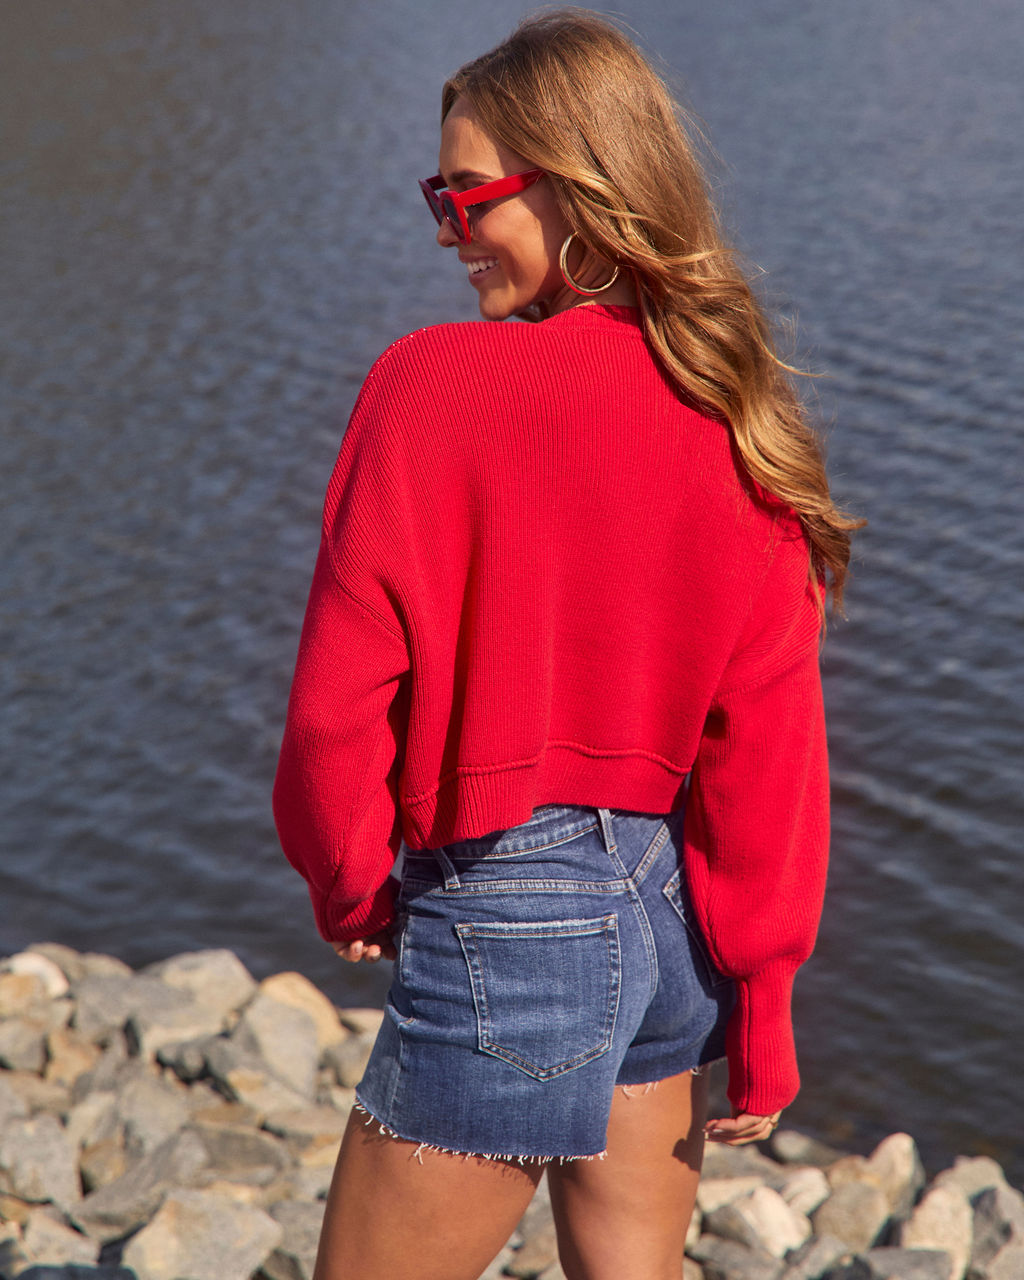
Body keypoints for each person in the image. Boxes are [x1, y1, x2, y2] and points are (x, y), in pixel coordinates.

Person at [273, 10, 860, 1279]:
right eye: (438, 195)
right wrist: (763, 1005)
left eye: (467, 195)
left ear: (579, 190)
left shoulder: (428, 388)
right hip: (669, 928)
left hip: (508, 906)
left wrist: (351, 878)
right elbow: (767, 756)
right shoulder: (731, 413)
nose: (448, 230)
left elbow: (334, 705)